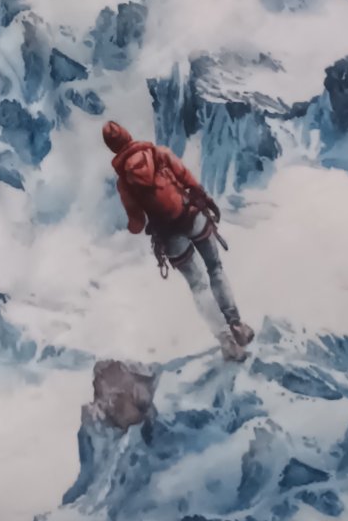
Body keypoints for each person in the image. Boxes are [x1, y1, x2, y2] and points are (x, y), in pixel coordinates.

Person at [102, 121, 254, 361]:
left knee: (198, 286)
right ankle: (237, 325)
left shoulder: (124, 183)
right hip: (191, 216)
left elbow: (137, 223)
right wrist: (206, 199)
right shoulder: (159, 154)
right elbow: (187, 179)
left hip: (168, 235)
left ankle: (227, 343)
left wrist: (129, 227)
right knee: (215, 268)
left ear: (111, 148)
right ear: (128, 135)